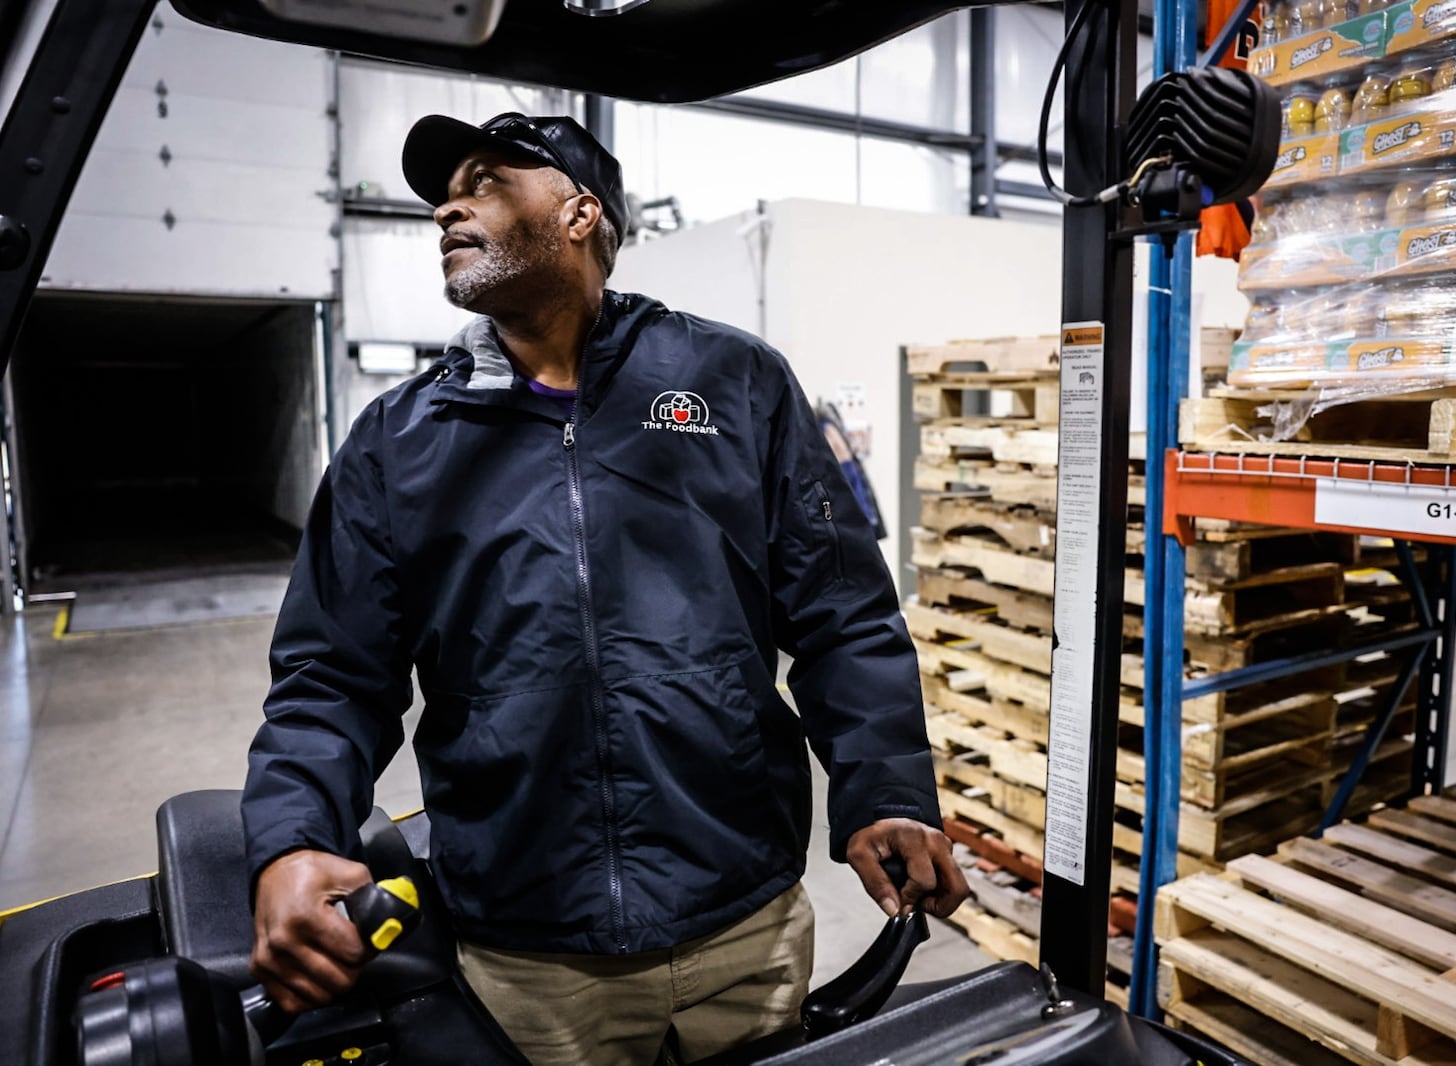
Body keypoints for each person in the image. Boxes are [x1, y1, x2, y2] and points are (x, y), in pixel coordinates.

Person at [240, 112, 968, 1065]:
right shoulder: (400, 439)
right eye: (443, 194)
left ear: (581, 213)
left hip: (742, 920)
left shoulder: (733, 382)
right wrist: (291, 841)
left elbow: (844, 617)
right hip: (528, 952)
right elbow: (332, 677)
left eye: (486, 181)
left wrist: (887, 790)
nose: (448, 209)